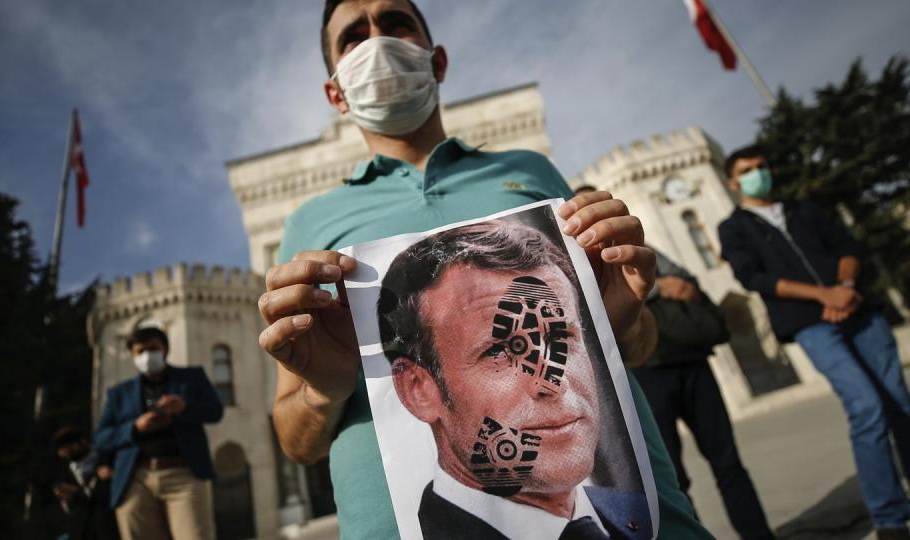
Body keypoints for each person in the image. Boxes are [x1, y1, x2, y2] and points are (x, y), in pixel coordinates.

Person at [258, 0, 713, 538]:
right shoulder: (311, 225)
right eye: (354, 36)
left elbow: (633, 347)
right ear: (335, 92)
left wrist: (619, 318)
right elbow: (296, 441)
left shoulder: (530, 171)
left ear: (437, 60)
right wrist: (321, 391)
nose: (378, 41)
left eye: (396, 23)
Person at [378, 219, 650, 539]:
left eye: (561, 339)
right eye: (501, 353)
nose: (553, 380)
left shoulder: (637, 510)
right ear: (418, 390)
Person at [718, 144, 910, 539]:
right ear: (733, 183)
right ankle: (889, 517)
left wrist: (844, 286)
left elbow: (848, 247)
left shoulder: (802, 209)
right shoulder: (735, 228)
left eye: (762, 165)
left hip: (858, 308)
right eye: (749, 170)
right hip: (811, 322)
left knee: (899, 402)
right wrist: (824, 296)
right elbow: (754, 278)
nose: (759, 173)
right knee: (866, 406)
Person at [630, 250, 773, 540]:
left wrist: (675, 284)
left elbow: (682, 277)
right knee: (672, 478)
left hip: (691, 360)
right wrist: (657, 288)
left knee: (727, 461)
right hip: (646, 371)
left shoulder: (637, 241)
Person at [94, 326, 224, 540]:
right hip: (136, 478)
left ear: (165, 349)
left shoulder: (191, 377)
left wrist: (184, 407)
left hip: (183, 473)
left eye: (153, 348)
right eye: (140, 351)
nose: (147, 355)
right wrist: (135, 428)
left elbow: (215, 411)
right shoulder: (119, 393)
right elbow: (100, 438)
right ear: (132, 355)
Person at [53, 425, 119, 540]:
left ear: (82, 441)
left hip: (112, 525)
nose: (66, 451)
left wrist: (112, 475)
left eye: (69, 445)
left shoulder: (105, 459)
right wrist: (70, 497)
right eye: (62, 448)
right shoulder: (63, 473)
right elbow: (72, 509)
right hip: (85, 531)